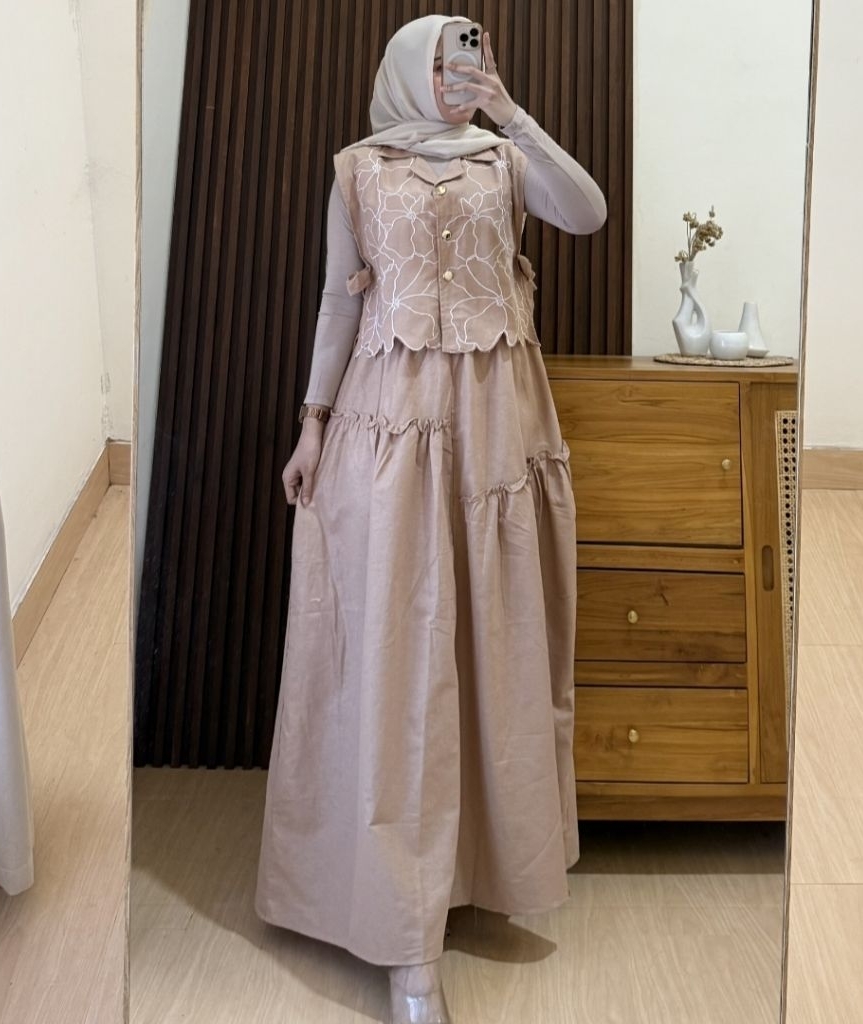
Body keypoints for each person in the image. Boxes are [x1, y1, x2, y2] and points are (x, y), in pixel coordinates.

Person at [254, 14, 606, 1024]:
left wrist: (512, 114)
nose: (461, 73)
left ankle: (475, 877)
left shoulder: (506, 161)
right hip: (390, 427)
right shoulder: (357, 168)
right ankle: (404, 939)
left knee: (491, 648)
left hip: (499, 425)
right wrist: (312, 424)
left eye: (473, 57)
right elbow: (338, 303)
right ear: (410, 68)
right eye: (447, 59)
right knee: (396, 657)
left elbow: (585, 214)